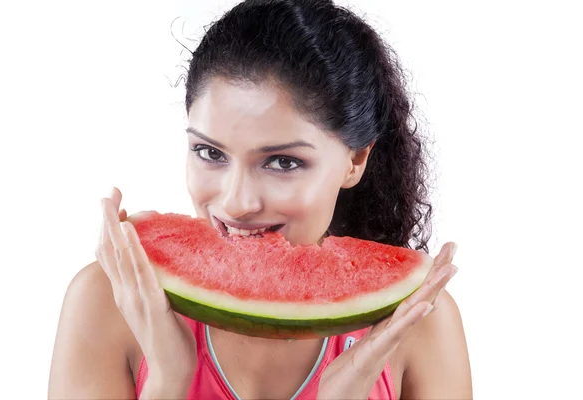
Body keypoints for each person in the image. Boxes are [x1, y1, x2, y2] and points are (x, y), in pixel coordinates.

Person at [48, 0, 472, 398]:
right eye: (210, 153)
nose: (236, 202)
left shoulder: (421, 324)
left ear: (355, 161)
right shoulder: (106, 304)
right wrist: (167, 380)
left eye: (283, 162)